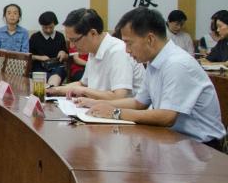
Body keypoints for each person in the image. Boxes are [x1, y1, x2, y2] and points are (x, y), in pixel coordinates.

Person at [77, 8, 225, 151]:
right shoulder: (154, 61)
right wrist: (97, 104)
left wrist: (115, 113)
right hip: (174, 140)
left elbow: (166, 117)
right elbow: (139, 103)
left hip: (202, 148)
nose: (127, 50)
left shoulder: (176, 64)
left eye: (129, 43)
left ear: (150, 39)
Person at [47, 8, 143, 99]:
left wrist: (84, 91)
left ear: (93, 33)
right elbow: (82, 84)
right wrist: (52, 90)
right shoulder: (93, 51)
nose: (72, 46)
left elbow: (119, 96)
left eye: (74, 40)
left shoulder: (118, 51)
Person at [29, 11, 69, 88]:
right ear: (41, 25)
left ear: (55, 24)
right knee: (41, 76)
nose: (48, 30)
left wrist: (63, 53)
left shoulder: (60, 36)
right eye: (45, 28)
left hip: (57, 67)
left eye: (51, 27)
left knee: (57, 75)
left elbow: (67, 56)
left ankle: (51, 90)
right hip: (39, 67)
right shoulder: (35, 37)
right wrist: (39, 57)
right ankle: (49, 90)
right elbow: (29, 56)